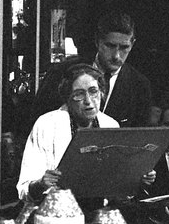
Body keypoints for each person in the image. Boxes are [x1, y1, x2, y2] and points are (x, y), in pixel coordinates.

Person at [18, 63, 155, 203]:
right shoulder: (47, 125)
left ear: (101, 93)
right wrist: (40, 184)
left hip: (99, 213)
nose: (88, 101)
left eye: (93, 91)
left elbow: (117, 190)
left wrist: (137, 179)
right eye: (79, 94)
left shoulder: (110, 125)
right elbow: (24, 190)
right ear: (67, 97)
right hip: (56, 213)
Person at [32, 11, 153, 127]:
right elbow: (36, 121)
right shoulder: (60, 73)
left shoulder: (140, 86)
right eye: (110, 46)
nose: (116, 56)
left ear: (132, 45)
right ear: (97, 41)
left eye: (124, 47)